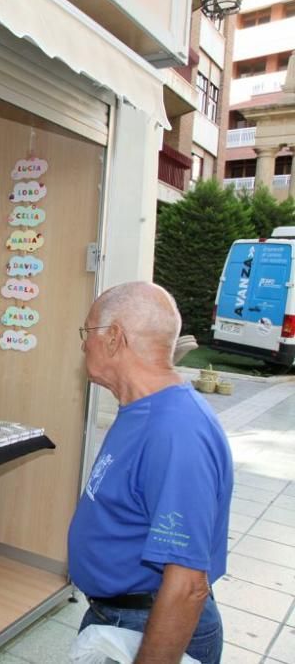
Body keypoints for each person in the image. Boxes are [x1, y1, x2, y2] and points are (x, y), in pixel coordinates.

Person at [68, 282, 233, 664]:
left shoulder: (175, 431)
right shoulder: (140, 409)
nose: (82, 345)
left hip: (150, 625)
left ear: (113, 338)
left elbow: (187, 585)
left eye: (86, 332)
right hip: (120, 616)